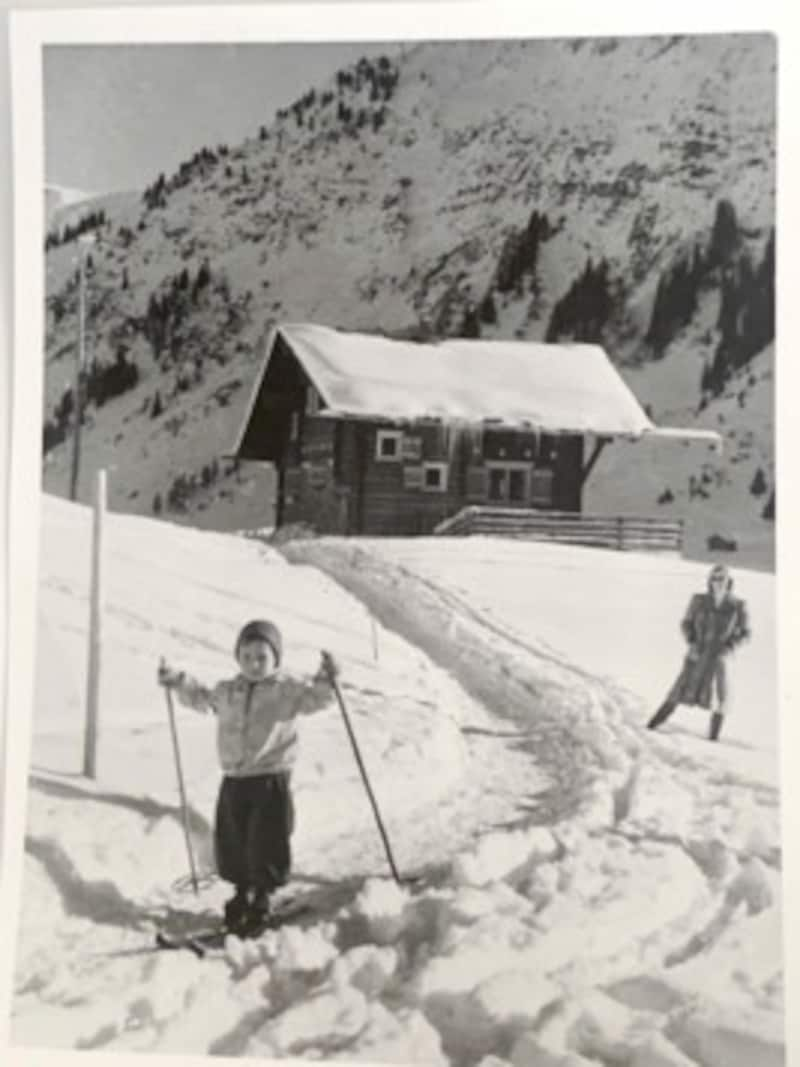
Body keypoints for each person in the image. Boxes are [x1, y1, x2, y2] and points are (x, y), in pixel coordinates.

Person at [158, 618, 337, 934]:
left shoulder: (286, 690)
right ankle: (242, 892)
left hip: (270, 777)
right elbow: (200, 697)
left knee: (265, 841)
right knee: (234, 840)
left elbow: (318, 699)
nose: (254, 664)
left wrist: (327, 678)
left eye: (262, 657)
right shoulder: (229, 691)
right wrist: (177, 682)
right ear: (238, 657)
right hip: (234, 779)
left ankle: (262, 896)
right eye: (247, 656)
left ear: (276, 659)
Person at [647, 564, 750, 741]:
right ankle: (652, 725)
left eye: (721, 578)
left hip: (719, 658)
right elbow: (686, 623)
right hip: (697, 653)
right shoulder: (698, 600)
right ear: (709, 580)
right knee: (679, 690)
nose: (717, 582)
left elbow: (744, 632)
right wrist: (692, 641)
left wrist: (728, 648)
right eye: (714, 578)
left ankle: (713, 738)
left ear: (728, 581)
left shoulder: (737, 605)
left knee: (719, 697)